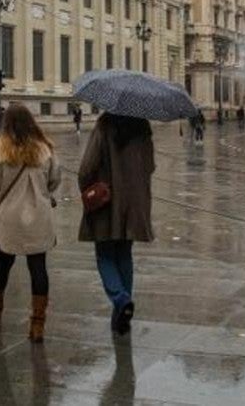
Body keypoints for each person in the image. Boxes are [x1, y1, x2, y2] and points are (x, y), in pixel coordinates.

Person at [0, 104, 60, 343]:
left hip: (9, 218)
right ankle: (37, 324)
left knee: (1, 266)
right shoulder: (45, 149)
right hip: (39, 217)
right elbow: (55, 181)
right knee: (38, 268)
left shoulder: (0, 150)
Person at [79, 113, 154, 335]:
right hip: (133, 202)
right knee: (124, 255)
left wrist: (87, 188)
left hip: (106, 202)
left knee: (104, 255)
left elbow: (86, 168)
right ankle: (122, 313)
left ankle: (121, 299)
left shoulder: (105, 124)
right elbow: (150, 166)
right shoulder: (143, 125)